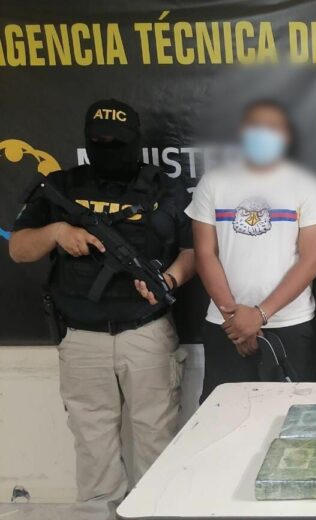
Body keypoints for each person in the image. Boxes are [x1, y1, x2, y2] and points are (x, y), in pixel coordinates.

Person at [9, 99, 195, 520]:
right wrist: (58, 232)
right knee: (93, 446)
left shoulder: (163, 189)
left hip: (146, 331)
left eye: (117, 142)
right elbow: (19, 248)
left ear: (136, 141)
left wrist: (168, 280)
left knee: (157, 440)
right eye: (99, 141)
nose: (108, 148)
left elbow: (192, 251)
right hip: (81, 336)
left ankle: (154, 512)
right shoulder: (61, 185)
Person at [186, 100, 316, 401]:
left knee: (296, 418)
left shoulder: (309, 186)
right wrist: (236, 321)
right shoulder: (213, 182)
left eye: (273, 127)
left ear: (286, 136)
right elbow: (204, 253)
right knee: (224, 419)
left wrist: (259, 315)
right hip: (224, 326)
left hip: (289, 324)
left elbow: (311, 261)